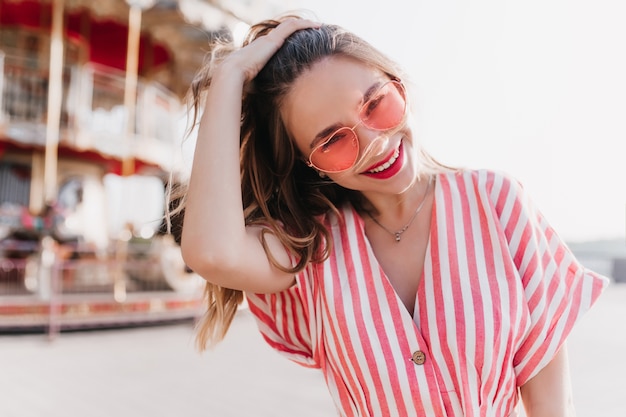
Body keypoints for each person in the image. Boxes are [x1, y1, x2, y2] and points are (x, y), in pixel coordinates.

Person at [172, 11, 609, 417]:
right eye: (333, 141)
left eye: (375, 103)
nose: (373, 142)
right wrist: (230, 76)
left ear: (396, 81)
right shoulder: (311, 245)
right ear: (309, 164)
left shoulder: (497, 202)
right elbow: (212, 252)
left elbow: (553, 405)